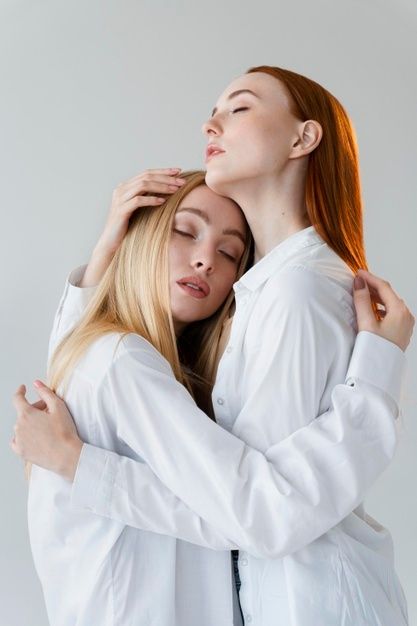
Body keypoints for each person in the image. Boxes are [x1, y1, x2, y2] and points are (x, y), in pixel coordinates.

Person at [12, 66, 414, 626]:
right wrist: (106, 256)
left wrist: (79, 465)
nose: (207, 260)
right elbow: (102, 376)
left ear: (303, 138)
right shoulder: (128, 355)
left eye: (230, 252)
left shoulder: (293, 290)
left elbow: (264, 511)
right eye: (184, 232)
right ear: (145, 238)